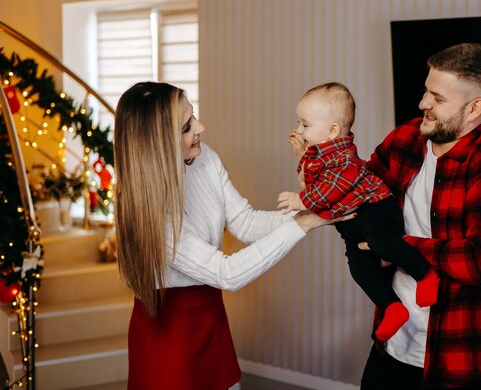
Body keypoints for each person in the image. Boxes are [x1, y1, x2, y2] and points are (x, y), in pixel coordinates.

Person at [113, 81, 351, 390]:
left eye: (193, 115)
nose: (201, 127)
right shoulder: (153, 216)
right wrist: (303, 225)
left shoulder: (204, 158)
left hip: (211, 315)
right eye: (187, 126)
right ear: (158, 144)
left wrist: (310, 209)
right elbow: (226, 273)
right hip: (168, 334)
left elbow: (245, 222)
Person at [358, 43, 481, 390]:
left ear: (474, 108)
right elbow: (363, 193)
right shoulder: (405, 139)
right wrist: (318, 162)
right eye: (426, 91)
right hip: (391, 343)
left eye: (437, 98)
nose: (423, 103)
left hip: (456, 358)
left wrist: (397, 247)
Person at [276, 82, 439, 342]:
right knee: (358, 266)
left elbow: (329, 190)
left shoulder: (344, 157)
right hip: (353, 225)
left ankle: (424, 273)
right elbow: (313, 182)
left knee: (381, 242)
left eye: (305, 125)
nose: (298, 130)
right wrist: (303, 157)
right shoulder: (318, 154)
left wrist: (301, 201)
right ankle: (392, 307)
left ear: (332, 131)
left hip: (376, 210)